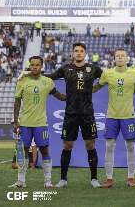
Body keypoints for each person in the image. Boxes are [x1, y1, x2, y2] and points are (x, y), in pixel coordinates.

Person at [29, 43, 103, 188]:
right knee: (68, 145)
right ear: (72, 53)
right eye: (76, 51)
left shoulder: (93, 69)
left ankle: (94, 179)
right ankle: (63, 179)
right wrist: (29, 74)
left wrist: (96, 87)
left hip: (87, 113)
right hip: (71, 113)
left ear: (85, 53)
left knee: (90, 145)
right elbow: (49, 78)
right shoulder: (66, 68)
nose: (79, 53)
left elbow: (108, 78)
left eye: (82, 51)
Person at [9, 56, 66, 188]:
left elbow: (59, 96)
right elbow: (17, 101)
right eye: (32, 65)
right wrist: (16, 121)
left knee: (45, 151)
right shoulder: (22, 81)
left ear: (42, 66)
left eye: (37, 65)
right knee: (23, 151)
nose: (34, 67)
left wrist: (73, 96)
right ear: (30, 66)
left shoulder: (47, 82)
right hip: (25, 123)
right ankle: (21, 182)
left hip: (41, 124)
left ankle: (47, 182)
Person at [92, 49, 135, 188]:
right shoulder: (108, 73)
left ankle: (131, 178)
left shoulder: (134, 73)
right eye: (117, 56)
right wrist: (83, 91)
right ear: (114, 59)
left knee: (131, 146)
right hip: (112, 116)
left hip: (128, 115)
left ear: (127, 58)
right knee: (109, 146)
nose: (120, 58)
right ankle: (109, 179)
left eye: (123, 56)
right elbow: (97, 87)